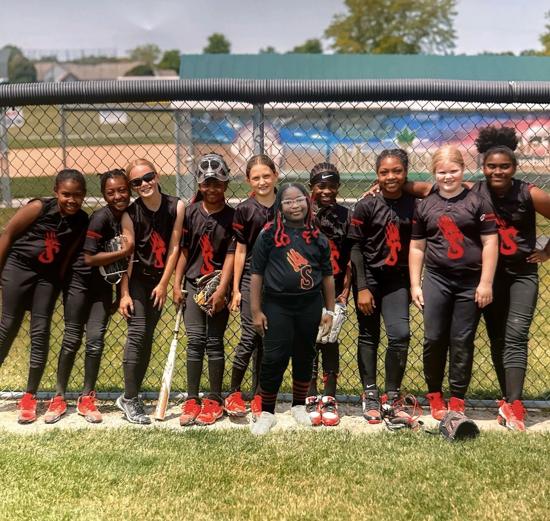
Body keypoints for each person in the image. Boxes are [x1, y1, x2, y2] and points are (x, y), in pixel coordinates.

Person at [409, 145, 499, 420]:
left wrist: (486, 283)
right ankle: (435, 394)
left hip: (470, 282)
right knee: (434, 338)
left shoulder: (478, 202)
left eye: (453, 171)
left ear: (463, 170)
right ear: (433, 173)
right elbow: (417, 247)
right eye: (441, 172)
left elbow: (490, 242)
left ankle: (458, 397)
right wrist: (415, 284)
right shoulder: (425, 205)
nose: (448, 177)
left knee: (461, 340)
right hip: (437, 279)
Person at [472, 127, 550, 430]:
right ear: (483, 168)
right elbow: (430, 188)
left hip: (521, 274)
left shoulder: (529, 193)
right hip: (489, 276)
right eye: (492, 166)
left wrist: (546, 252)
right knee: (497, 337)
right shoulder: (475, 191)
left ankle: (516, 404)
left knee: (516, 335)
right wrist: (381, 186)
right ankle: (506, 399)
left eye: (504, 166)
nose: (498, 171)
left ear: (514, 168)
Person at [44, 169, 133, 424]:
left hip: (101, 288)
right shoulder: (100, 218)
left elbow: (120, 265)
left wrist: (119, 292)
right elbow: (89, 258)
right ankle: (59, 397)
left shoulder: (128, 216)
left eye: (122, 190)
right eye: (111, 192)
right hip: (80, 283)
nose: (118, 196)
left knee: (95, 341)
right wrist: (124, 251)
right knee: (72, 338)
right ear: (104, 195)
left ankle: (87, 397)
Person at [0, 169, 89, 424]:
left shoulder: (82, 220)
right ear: (56, 192)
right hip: (19, 267)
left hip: (47, 278)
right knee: (8, 326)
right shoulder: (39, 207)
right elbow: (8, 234)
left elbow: (69, 254)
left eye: (77, 195)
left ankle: (30, 395)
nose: (71, 200)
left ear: (84, 195)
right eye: (66, 194)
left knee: (40, 332)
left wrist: (58, 281)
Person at [250, 182, 335, 435]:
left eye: (299, 200)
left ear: (308, 202)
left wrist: (329, 310)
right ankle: (267, 412)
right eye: (288, 201)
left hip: (309, 304)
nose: (294, 205)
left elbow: (328, 277)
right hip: (277, 304)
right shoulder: (268, 234)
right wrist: (256, 310)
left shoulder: (318, 237)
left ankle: (299, 406)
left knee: (304, 355)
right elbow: (256, 274)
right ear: (280, 206)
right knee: (274, 357)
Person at [348, 149, 416, 424]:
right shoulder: (366, 205)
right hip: (370, 278)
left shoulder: (414, 204)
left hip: (397, 279)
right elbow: (355, 247)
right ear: (377, 175)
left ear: (406, 173)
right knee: (369, 334)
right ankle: (370, 393)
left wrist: (412, 282)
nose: (391, 177)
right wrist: (362, 287)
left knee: (400, 335)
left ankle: (392, 394)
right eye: (384, 172)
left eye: (397, 171)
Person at [117, 159, 185, 424]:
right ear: (132, 187)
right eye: (136, 182)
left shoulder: (176, 206)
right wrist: (124, 293)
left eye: (148, 177)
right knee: (137, 333)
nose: (144, 184)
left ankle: (131, 395)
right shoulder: (130, 214)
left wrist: (164, 283)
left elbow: (174, 247)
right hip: (136, 280)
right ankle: (130, 398)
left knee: (147, 336)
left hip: (158, 281)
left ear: (156, 176)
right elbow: (127, 256)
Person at [175, 153, 235, 427]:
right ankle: (191, 398)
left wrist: (222, 290)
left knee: (214, 342)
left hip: (217, 287)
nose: (212, 188)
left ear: (226, 184)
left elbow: (233, 256)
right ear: (199, 185)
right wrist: (177, 284)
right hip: (192, 284)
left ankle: (214, 398)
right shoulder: (190, 214)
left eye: (217, 183)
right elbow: (184, 252)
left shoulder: (233, 217)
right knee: (195, 342)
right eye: (206, 183)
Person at [225, 154, 278, 420]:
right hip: (251, 280)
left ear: (276, 175)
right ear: (248, 180)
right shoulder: (245, 209)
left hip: (278, 282)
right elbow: (240, 250)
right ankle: (234, 392)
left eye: (266, 176)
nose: (262, 181)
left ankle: (260, 393)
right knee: (249, 336)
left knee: (268, 339)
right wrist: (236, 289)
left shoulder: (287, 204)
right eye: (256, 178)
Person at [305, 163, 351, 427]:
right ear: (311, 187)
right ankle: (310, 394)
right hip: (308, 287)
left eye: (332, 186)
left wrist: (346, 290)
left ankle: (329, 395)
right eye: (321, 186)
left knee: (330, 339)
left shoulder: (345, 215)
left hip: (334, 287)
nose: (326, 191)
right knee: (310, 340)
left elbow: (350, 257)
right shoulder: (302, 214)